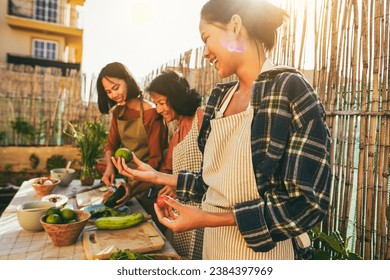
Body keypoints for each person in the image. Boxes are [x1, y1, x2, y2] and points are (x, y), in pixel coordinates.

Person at [112, 0, 332, 260]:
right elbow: (213, 184)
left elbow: (306, 204)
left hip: (262, 257)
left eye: (206, 38)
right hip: (214, 252)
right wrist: (159, 177)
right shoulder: (220, 99)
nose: (205, 52)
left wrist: (206, 218)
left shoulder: (290, 89)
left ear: (235, 26)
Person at [96, 62, 167, 229]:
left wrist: (132, 187)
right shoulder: (118, 113)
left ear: (127, 80)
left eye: (116, 87)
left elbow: (156, 160)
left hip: (150, 185)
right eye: (108, 91)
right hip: (130, 185)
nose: (113, 94)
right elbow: (111, 146)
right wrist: (109, 168)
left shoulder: (150, 112)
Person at [146, 70, 204, 260]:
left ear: (176, 97)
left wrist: (180, 186)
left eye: (161, 102)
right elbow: (166, 173)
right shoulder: (175, 137)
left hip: (203, 214)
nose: (158, 109)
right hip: (181, 217)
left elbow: (219, 167)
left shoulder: (201, 119)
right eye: (156, 104)